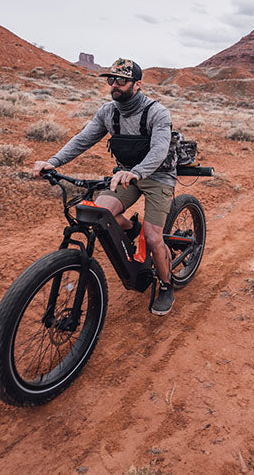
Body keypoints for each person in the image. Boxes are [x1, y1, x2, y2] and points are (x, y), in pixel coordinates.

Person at [32, 58, 178, 316]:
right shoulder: (108, 112)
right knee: (99, 212)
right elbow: (82, 139)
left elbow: (158, 150)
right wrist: (52, 162)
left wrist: (136, 173)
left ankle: (166, 286)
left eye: (121, 80)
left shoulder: (157, 112)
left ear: (137, 84)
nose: (115, 86)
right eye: (111, 80)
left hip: (157, 177)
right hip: (125, 176)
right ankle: (134, 228)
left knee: (155, 238)